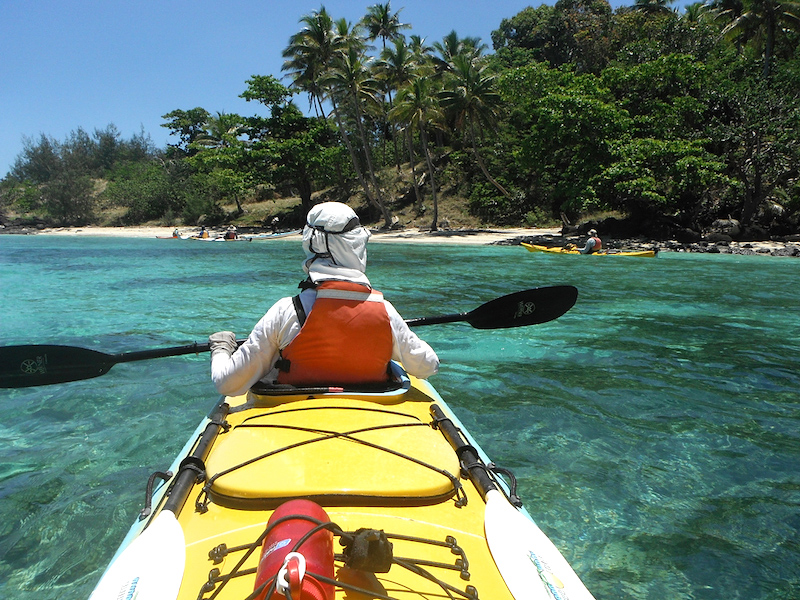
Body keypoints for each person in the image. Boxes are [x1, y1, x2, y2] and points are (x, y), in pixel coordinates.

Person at [209, 202, 439, 396]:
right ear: (355, 246)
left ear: (309, 244)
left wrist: (221, 348)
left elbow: (227, 384)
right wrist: (395, 339)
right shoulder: (386, 312)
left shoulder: (285, 311)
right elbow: (429, 366)